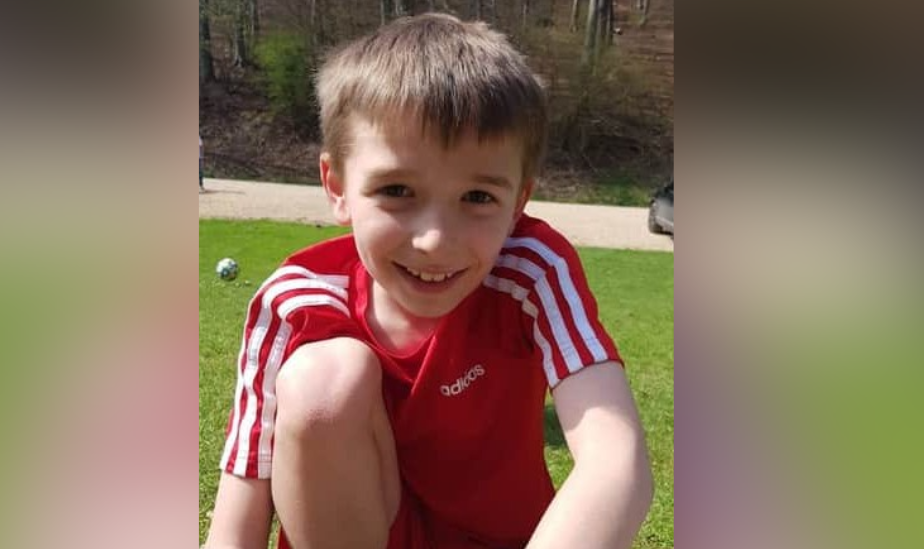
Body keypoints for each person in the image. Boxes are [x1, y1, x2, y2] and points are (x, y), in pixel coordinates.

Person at [204, 13, 653, 549]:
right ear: (337, 185)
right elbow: (238, 522)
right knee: (323, 380)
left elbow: (615, 459)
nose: (436, 240)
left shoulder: (532, 270)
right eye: (396, 190)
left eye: (478, 198)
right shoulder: (294, 300)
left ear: (519, 203)